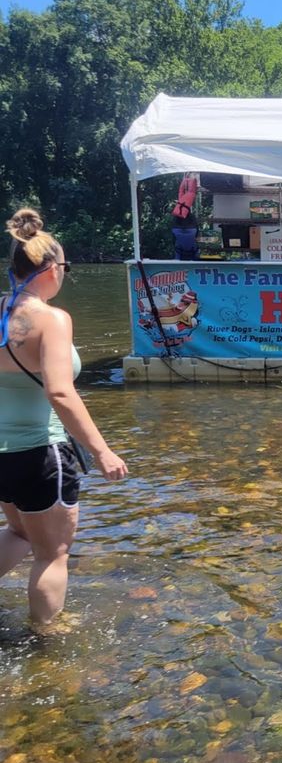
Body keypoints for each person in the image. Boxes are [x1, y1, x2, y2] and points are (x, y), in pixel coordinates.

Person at [0, 208, 127, 630]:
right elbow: (59, 391)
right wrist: (103, 451)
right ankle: (45, 637)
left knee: (19, 532)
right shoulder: (52, 319)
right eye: (65, 267)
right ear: (50, 269)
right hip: (39, 452)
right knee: (52, 553)